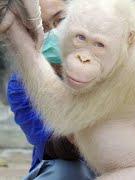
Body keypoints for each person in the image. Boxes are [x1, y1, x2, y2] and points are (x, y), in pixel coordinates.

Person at [6, 0, 95, 179]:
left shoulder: (113, 56)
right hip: (72, 167)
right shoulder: (22, 84)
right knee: (66, 171)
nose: (53, 33)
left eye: (61, 20)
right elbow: (51, 144)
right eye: (37, 29)